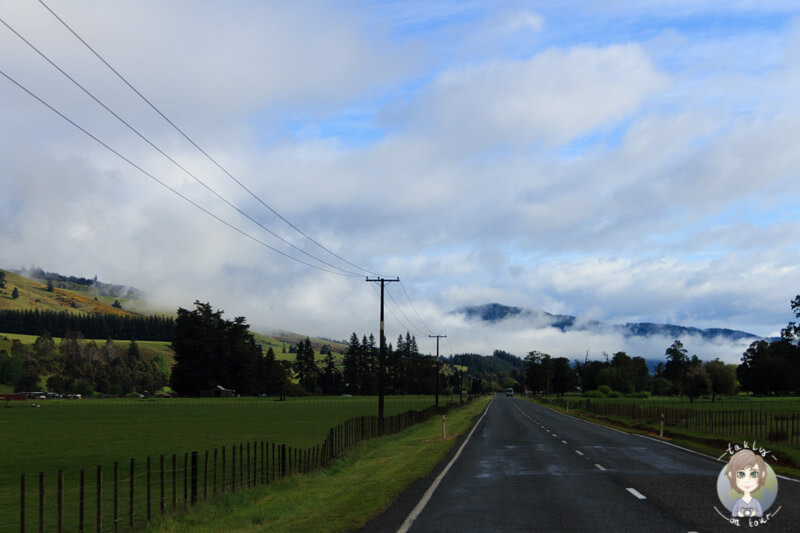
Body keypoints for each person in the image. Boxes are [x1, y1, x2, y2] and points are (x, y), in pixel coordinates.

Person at [725, 449, 767, 518]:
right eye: (741, 474)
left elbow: (760, 513)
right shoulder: (739, 502)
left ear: (762, 475)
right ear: (731, 475)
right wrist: (739, 513)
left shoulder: (755, 502)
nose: (747, 480)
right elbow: (734, 514)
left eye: (754, 474)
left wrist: (753, 513)